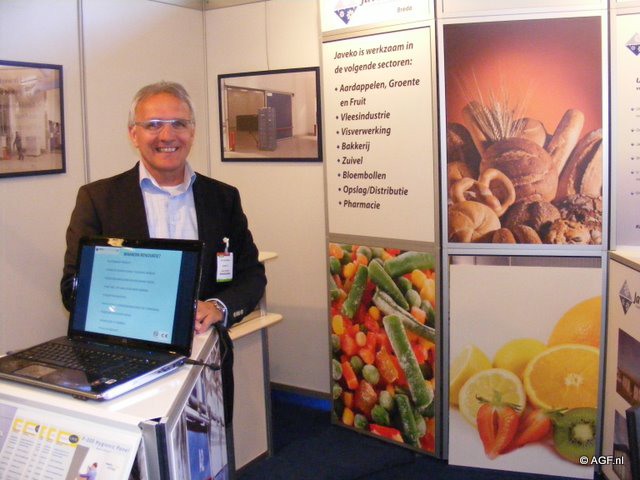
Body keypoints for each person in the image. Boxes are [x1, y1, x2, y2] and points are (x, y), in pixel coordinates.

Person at [60, 81, 267, 426]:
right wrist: (137, 314)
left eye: (178, 124)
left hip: (206, 362)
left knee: (207, 447)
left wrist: (218, 307)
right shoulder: (98, 200)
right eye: (153, 124)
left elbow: (251, 275)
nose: (167, 135)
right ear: (134, 133)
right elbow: (73, 288)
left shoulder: (223, 198)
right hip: (126, 364)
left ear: (192, 132)